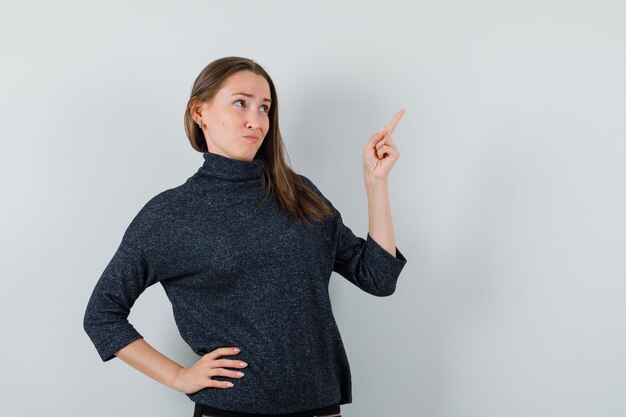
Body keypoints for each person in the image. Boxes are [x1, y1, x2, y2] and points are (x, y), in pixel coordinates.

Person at [83, 56, 408, 417]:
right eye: (241, 103)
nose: (257, 121)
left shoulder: (299, 195)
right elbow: (102, 315)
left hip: (321, 406)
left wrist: (376, 183)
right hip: (232, 408)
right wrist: (179, 377)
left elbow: (378, 277)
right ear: (199, 112)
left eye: (265, 108)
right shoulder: (170, 214)